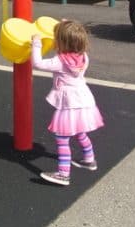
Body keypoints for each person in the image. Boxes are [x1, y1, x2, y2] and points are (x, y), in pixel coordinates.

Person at [31, 20, 104, 186]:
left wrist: (36, 43)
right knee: (79, 131)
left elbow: (37, 63)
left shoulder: (60, 61)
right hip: (84, 100)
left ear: (61, 43)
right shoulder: (83, 57)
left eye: (56, 38)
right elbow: (72, 37)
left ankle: (63, 174)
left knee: (62, 137)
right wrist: (66, 26)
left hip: (69, 104)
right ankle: (89, 159)